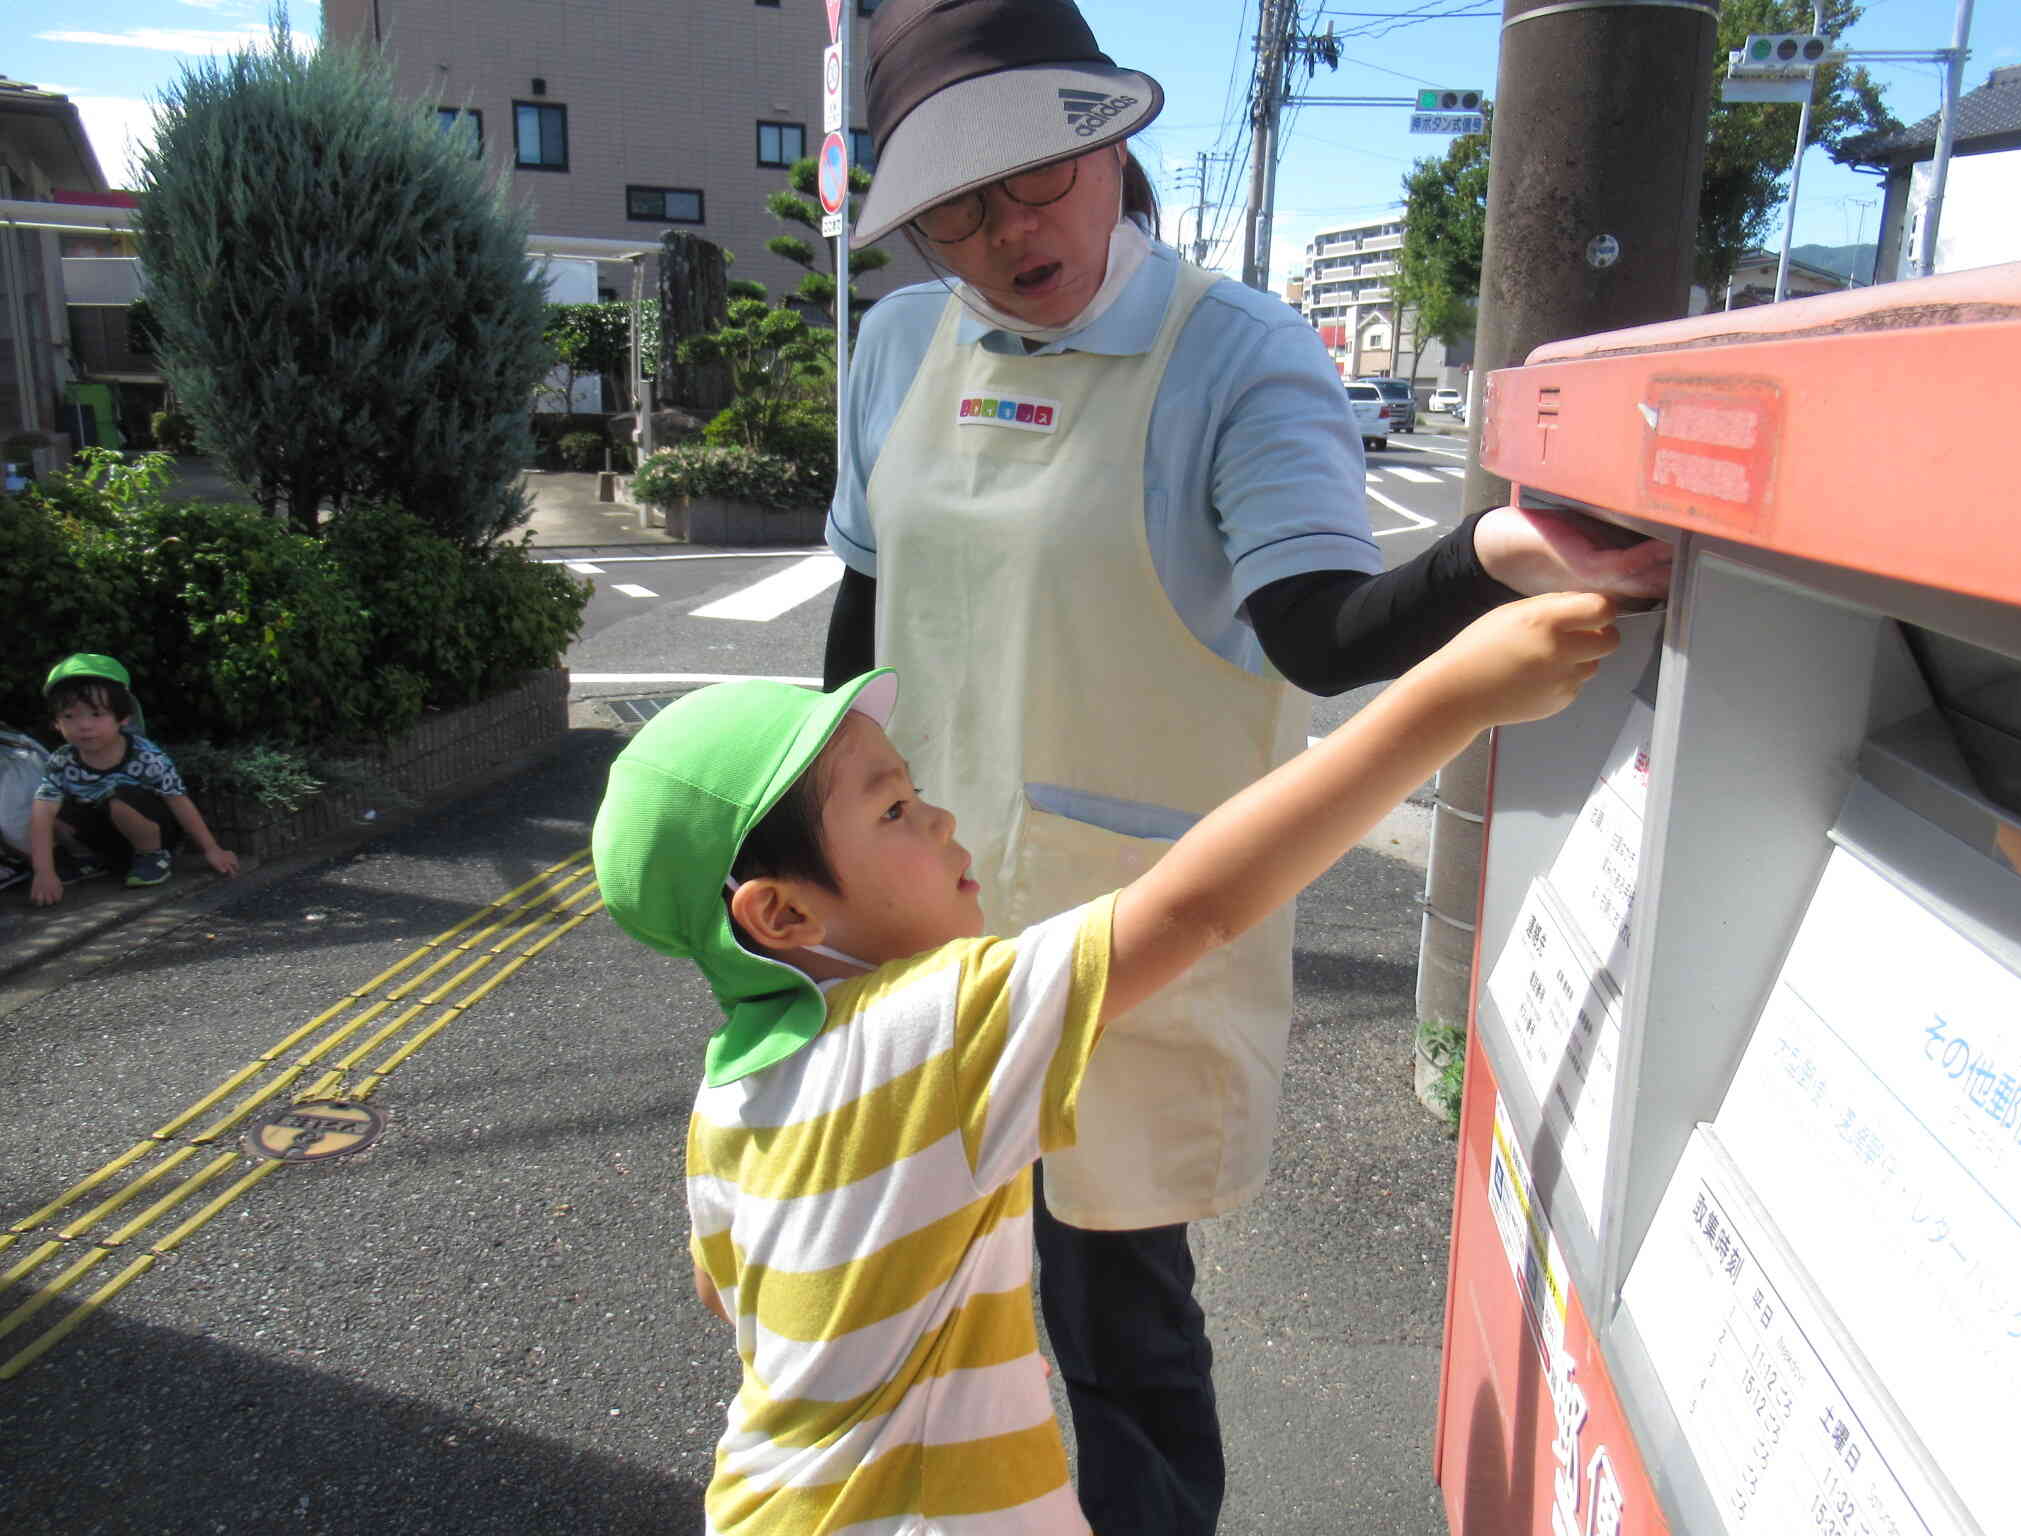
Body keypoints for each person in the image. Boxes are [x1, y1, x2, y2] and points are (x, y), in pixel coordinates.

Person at [822, 0, 1672, 1527]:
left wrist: (1488, 554)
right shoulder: (896, 347)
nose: (1012, 227)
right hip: (909, 919)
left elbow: (1319, 632)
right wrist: (801, 863)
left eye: (1040, 173)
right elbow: (864, 606)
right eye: (956, 203)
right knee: (920, 1301)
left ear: (1111, 140)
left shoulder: (1236, 354)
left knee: (1117, 1331)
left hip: (1128, 931)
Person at [591, 590, 1618, 1534]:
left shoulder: (729, 1089)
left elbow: (723, 1289)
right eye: (892, 811)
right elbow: (1194, 907)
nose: (941, 820)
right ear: (783, 914)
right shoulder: (930, 1029)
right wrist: (1450, 698)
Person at [27, 653, 240, 907]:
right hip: (104, 836)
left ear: (123, 717)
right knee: (50, 809)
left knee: (118, 800)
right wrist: (44, 872)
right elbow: (42, 814)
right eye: (70, 716)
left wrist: (211, 849)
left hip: (151, 832)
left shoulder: (145, 755)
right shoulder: (61, 761)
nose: (84, 725)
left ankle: (152, 857)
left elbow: (178, 800)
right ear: (56, 723)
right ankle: (88, 858)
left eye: (96, 714)